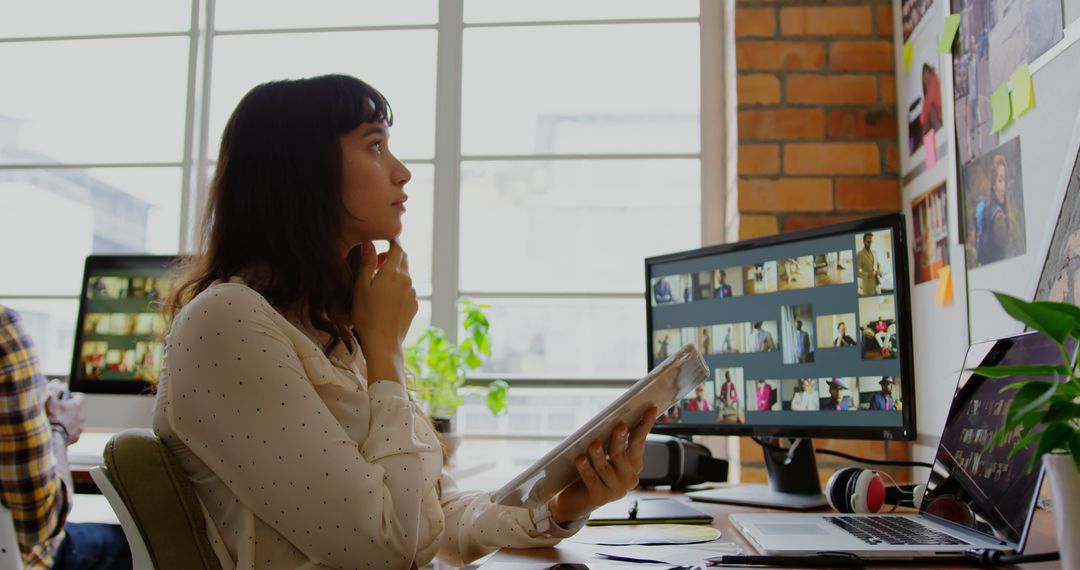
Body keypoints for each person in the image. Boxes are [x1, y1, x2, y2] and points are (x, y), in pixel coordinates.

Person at [152, 75, 657, 569]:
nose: (402, 172)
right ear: (304, 171)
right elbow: (387, 548)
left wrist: (567, 503)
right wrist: (384, 350)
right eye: (375, 146)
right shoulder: (227, 323)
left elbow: (435, 519)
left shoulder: (325, 331)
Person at [0, 305, 132, 570]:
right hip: (24, 561)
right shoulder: (4, 332)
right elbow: (37, 526)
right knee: (141, 546)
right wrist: (59, 431)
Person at [978, 154, 1010, 265]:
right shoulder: (998, 216)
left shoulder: (987, 208)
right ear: (993, 184)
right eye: (1000, 181)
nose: (1003, 187)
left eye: (1004, 180)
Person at [921, 63, 943, 135]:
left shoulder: (933, 81)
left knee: (929, 110)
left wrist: (923, 121)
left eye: (927, 74)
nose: (926, 78)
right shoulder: (931, 86)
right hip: (939, 117)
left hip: (941, 118)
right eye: (924, 77)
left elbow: (927, 106)